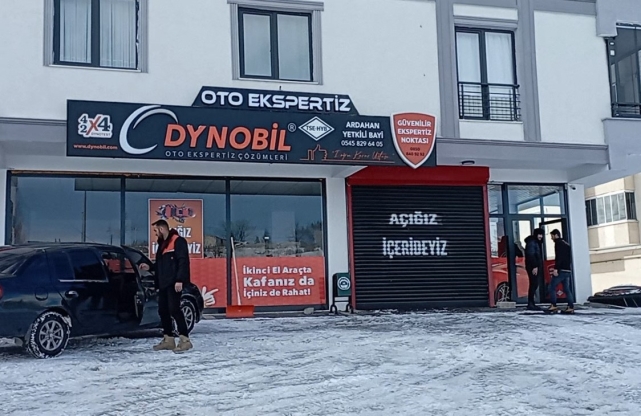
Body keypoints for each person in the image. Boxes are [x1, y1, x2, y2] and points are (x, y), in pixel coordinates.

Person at [140, 219, 193, 353]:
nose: (155, 233)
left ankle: (185, 340)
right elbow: (160, 265)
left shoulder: (178, 241)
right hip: (163, 284)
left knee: (174, 309)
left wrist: (180, 280)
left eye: (155, 230)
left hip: (174, 283)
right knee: (163, 310)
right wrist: (150, 267)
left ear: (162, 229)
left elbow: (183, 262)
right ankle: (168, 339)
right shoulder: (162, 245)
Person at [548, 229, 575, 314]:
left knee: (551, 286)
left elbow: (559, 257)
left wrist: (556, 268)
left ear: (556, 235)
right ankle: (570, 306)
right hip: (567, 269)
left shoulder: (558, 243)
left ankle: (553, 305)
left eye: (552, 236)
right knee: (566, 289)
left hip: (561, 269)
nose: (551, 238)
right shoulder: (566, 244)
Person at [524, 228, 544, 310]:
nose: (541, 236)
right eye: (539, 234)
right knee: (534, 284)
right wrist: (535, 266)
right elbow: (531, 255)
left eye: (541, 234)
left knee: (534, 284)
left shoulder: (535, 242)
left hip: (533, 266)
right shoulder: (532, 242)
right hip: (532, 266)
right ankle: (530, 303)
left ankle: (531, 303)